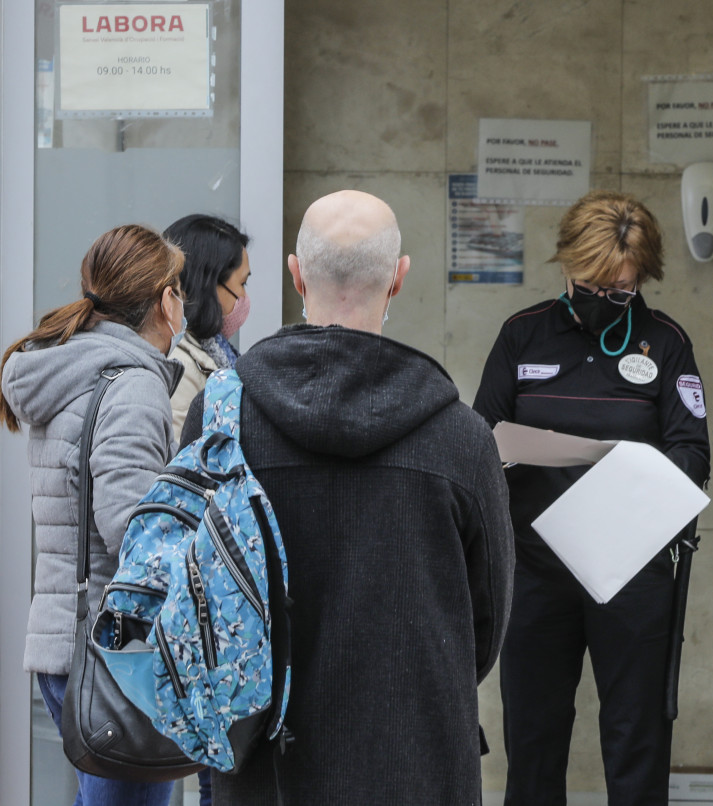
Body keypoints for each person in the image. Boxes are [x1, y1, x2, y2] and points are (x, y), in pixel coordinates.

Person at [179, 189, 514, 805]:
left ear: (296, 274)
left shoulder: (221, 417)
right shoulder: (461, 437)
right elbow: (486, 622)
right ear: (398, 279)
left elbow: (196, 593)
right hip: (418, 760)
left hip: (264, 762)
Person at [473, 189, 711, 805]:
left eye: (622, 290)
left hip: (630, 571)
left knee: (637, 739)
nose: (606, 299)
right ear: (567, 265)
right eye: (594, 283)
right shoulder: (521, 336)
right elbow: (477, 444)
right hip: (535, 572)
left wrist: (637, 477)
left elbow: (693, 452)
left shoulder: (666, 342)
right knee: (534, 737)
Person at [0, 225, 186, 806]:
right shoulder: (131, 385)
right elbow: (133, 530)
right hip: (118, 654)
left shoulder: (77, 370)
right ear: (163, 299)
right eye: (180, 290)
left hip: (73, 642)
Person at [163, 213, 252, 442]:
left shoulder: (206, 354)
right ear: (209, 285)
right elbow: (174, 463)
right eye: (242, 283)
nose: (244, 296)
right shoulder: (180, 366)